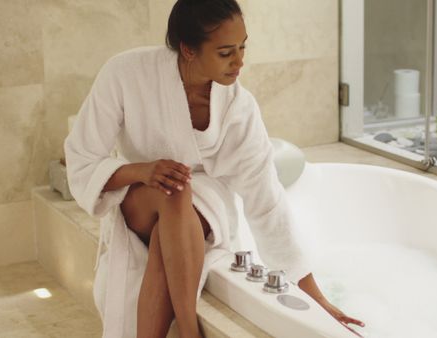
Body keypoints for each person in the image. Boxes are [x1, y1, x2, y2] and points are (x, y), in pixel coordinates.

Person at [64, 0, 365, 337]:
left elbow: (266, 201)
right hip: (140, 196)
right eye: (225, 52)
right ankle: (191, 331)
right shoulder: (125, 73)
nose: (240, 62)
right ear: (188, 49)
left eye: (243, 46)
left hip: (206, 205)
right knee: (174, 188)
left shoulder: (239, 106)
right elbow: (82, 158)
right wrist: (142, 171)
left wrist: (316, 299)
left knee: (177, 198)